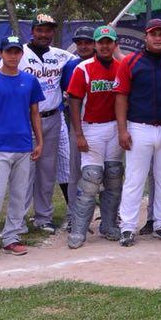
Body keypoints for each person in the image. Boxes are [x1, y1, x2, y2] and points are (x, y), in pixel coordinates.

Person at [0, 34, 45, 263]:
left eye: (16, 52)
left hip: (23, 146)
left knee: (19, 194)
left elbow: (34, 113)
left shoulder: (29, 80)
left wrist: (39, 141)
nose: (13, 56)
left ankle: (11, 237)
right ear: (0, 53)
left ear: (21, 54)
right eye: (9, 52)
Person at [114, 18, 161, 249]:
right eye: (154, 34)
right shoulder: (131, 62)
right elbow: (121, 96)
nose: (158, 38)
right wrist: (122, 130)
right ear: (146, 36)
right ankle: (127, 227)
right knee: (135, 179)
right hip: (139, 127)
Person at [66, 26, 124, 244]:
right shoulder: (84, 68)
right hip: (91, 128)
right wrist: (78, 134)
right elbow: (73, 101)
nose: (105, 46)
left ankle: (108, 224)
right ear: (96, 45)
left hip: (114, 126)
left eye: (109, 42)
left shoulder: (121, 67)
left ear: (115, 44)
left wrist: (123, 129)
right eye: (101, 42)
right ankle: (79, 229)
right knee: (90, 178)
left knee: (114, 176)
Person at [19, 13, 72, 233]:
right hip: (24, 120)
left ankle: (43, 217)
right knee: (23, 172)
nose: (44, 34)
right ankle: (18, 220)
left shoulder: (62, 56)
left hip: (52, 117)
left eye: (48, 30)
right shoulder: (17, 53)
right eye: (40, 29)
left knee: (47, 171)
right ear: (32, 31)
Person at [60, 26, 94, 210]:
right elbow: (64, 94)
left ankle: (109, 214)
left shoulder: (106, 63)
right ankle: (73, 212)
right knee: (75, 170)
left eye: (87, 42)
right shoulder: (70, 66)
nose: (83, 46)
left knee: (107, 170)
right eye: (79, 43)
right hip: (76, 121)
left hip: (104, 122)